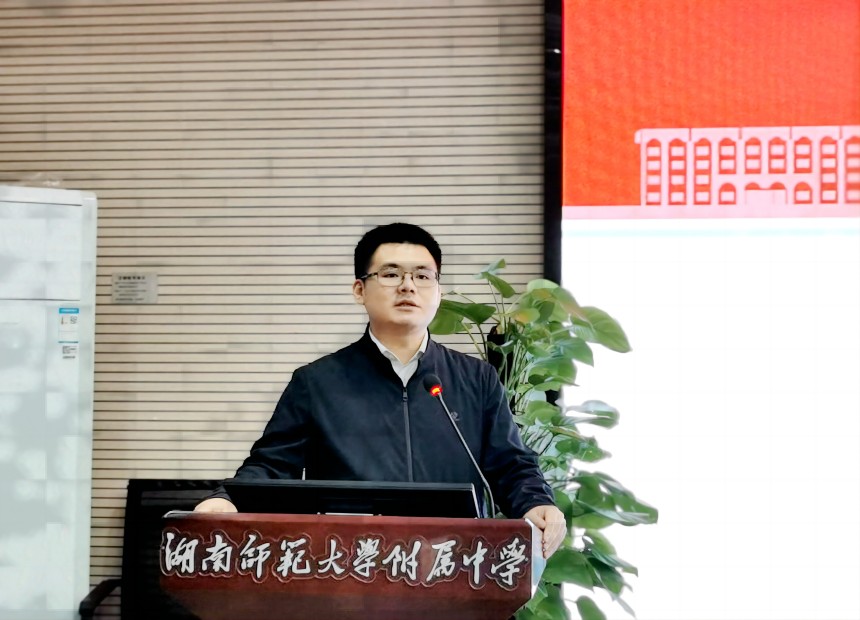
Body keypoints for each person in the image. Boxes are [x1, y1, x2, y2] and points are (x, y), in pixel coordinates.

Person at [195, 223, 565, 558]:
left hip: (454, 565)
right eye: (390, 274)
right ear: (360, 290)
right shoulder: (317, 382)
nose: (408, 286)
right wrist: (228, 500)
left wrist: (535, 503)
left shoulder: (477, 379)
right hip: (350, 566)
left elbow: (510, 465)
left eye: (422, 276)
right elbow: (272, 466)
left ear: (438, 291)